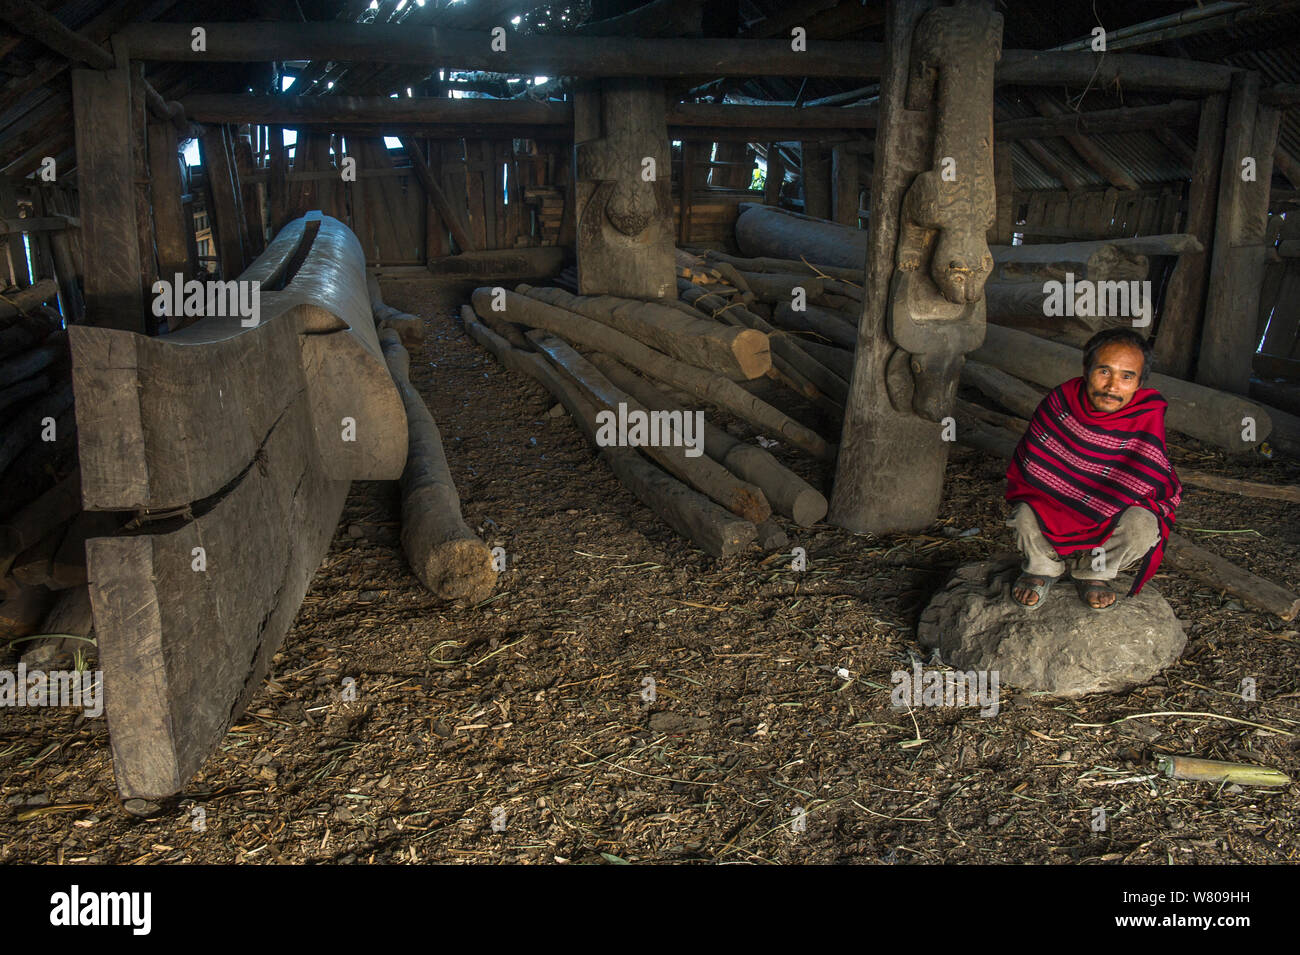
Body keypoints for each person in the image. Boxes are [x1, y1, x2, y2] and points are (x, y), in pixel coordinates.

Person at [1004, 328, 1182, 612]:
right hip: (1053, 506)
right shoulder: (1061, 402)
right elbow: (1030, 471)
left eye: (1127, 376)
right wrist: (1068, 494)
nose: (1113, 386)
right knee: (1024, 514)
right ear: (1086, 370)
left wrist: (1109, 502)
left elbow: (1147, 479)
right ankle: (1043, 566)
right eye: (1104, 371)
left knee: (1143, 527)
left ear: (1139, 383)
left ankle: (1094, 571)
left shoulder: (1147, 414)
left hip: (1108, 511)